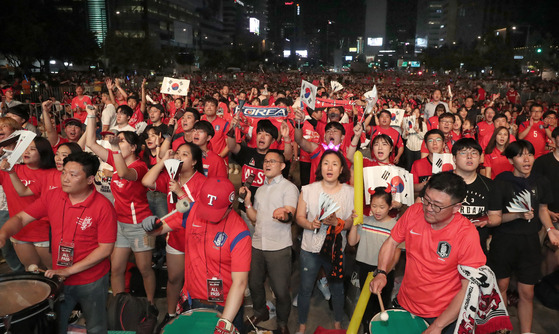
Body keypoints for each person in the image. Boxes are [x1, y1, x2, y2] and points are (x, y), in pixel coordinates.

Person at [0, 152, 117, 334]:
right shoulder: (53, 196)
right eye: (64, 173)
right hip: (59, 277)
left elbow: (105, 249)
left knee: (96, 325)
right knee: (56, 325)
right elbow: (22, 218)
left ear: (89, 179)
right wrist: (4, 233)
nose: (65, 179)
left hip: (90, 279)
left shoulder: (103, 207)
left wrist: (67, 271)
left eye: (73, 175)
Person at [370, 172, 486, 334]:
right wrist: (382, 271)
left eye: (437, 205)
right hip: (406, 303)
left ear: (456, 207)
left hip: (442, 315)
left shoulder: (466, 234)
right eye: (426, 200)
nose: (429, 209)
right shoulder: (414, 212)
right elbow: (391, 242)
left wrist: (438, 326)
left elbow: (469, 288)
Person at [142, 177, 251, 334]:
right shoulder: (192, 210)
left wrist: (225, 323)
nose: (207, 216)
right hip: (192, 300)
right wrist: (151, 227)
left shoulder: (240, 233)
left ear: (230, 206)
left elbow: (240, 283)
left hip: (225, 306)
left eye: (215, 212)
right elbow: (160, 228)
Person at [84, 106, 157, 307]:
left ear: (133, 148)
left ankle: (150, 305)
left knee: (144, 268)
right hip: (119, 224)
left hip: (140, 225)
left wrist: (114, 150)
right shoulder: (116, 160)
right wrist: (91, 115)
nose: (117, 143)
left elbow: (125, 174)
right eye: (117, 141)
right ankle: (119, 306)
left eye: (122, 141)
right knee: (116, 269)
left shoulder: (140, 167)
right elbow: (90, 142)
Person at [488, 140, 559, 334]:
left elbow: (543, 210)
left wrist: (551, 228)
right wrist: (517, 215)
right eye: (520, 155)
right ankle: (502, 328)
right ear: (511, 159)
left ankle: (526, 332)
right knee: (501, 286)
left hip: (530, 242)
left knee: (527, 292)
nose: (526, 159)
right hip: (504, 241)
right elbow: (493, 218)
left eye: (530, 154)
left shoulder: (541, 181)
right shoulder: (501, 182)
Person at [142, 141, 206, 331]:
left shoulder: (202, 182)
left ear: (194, 162)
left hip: (197, 239)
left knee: (195, 281)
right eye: (177, 153)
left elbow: (200, 212)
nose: (179, 157)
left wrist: (179, 191)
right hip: (176, 238)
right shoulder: (171, 176)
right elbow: (146, 181)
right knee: (174, 279)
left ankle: (194, 316)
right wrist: (163, 161)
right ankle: (170, 315)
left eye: (185, 154)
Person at [295, 150, 354, 332]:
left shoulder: (349, 192)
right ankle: (302, 325)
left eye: (335, 164)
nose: (329, 167)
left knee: (337, 287)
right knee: (305, 288)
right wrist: (310, 224)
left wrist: (339, 223)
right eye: (326, 163)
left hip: (335, 250)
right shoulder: (308, 189)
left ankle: (337, 322)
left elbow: (352, 221)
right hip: (310, 249)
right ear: (320, 167)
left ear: (341, 168)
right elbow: (299, 217)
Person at [242, 150, 299, 334]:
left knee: (281, 291)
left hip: (278, 247)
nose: (267, 164)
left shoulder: (289, 188)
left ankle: (282, 323)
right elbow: (254, 218)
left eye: (272, 161)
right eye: (265, 161)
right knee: (255, 283)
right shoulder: (260, 190)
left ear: (282, 166)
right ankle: (260, 312)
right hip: (258, 244)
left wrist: (284, 215)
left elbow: (289, 214)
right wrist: (248, 203)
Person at [348, 186, 401, 334]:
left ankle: (378, 330)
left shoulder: (396, 226)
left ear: (390, 206)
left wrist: (383, 272)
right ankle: (367, 328)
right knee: (365, 304)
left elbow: (396, 255)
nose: (377, 210)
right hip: (365, 267)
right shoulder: (364, 221)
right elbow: (352, 242)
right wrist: (354, 224)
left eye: (382, 207)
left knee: (381, 304)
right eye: (374, 206)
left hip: (385, 271)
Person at [0, 137, 56, 270]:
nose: (27, 152)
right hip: (20, 232)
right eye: (25, 148)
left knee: (54, 274)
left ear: (43, 152)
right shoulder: (11, 169)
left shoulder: (53, 174)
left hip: (46, 233)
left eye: (32, 149)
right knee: (32, 271)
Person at [452, 138, 501, 254]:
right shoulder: (441, 182)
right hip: (445, 244)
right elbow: (421, 208)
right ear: (454, 158)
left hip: (476, 246)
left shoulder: (490, 185)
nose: (469, 157)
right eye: (463, 153)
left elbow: (497, 217)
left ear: (480, 158)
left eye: (474, 153)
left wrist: (485, 221)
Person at [411, 129, 445, 193]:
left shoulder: (450, 163)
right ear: (426, 145)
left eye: (438, 140)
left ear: (443, 144)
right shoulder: (418, 164)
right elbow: (412, 187)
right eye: (430, 141)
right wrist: (426, 183)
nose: (434, 143)